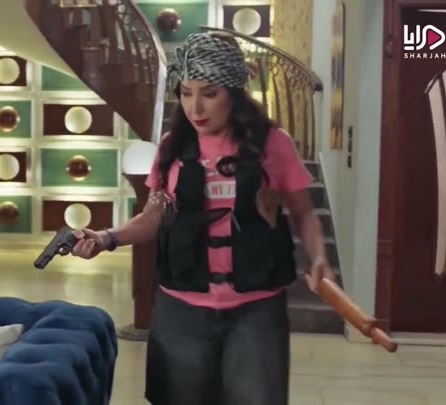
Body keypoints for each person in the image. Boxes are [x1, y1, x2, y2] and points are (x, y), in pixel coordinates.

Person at [70, 32, 336, 405]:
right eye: (186, 93)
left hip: (256, 310)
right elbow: (154, 215)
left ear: (234, 92)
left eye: (209, 93)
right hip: (181, 309)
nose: (195, 107)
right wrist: (106, 238)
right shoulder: (172, 147)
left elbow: (304, 213)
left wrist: (319, 257)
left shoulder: (273, 143)